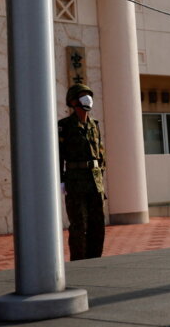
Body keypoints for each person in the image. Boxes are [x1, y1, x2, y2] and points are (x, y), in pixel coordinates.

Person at [57, 83, 107, 260]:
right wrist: (61, 180)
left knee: (97, 224)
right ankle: (79, 261)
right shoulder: (64, 126)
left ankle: (95, 258)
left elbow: (100, 154)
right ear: (72, 101)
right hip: (75, 181)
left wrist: (101, 175)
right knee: (79, 224)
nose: (88, 98)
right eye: (82, 95)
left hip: (94, 181)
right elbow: (59, 156)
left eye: (88, 94)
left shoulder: (94, 125)